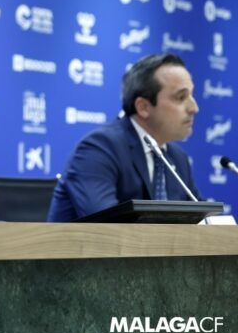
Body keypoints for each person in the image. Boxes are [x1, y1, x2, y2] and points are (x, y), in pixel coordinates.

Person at [48, 53, 201, 222]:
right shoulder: (99, 149)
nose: (194, 108)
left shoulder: (177, 158)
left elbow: (202, 223)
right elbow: (107, 225)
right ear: (143, 107)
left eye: (192, 96)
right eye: (180, 97)